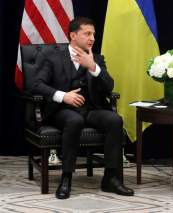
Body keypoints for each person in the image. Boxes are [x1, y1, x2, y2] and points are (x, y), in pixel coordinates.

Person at [32, 17, 134, 199]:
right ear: (73, 35)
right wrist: (64, 96)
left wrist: (93, 67)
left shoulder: (96, 59)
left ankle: (111, 178)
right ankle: (66, 177)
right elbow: (37, 85)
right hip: (62, 110)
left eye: (93, 34)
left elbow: (109, 86)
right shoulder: (52, 57)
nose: (92, 38)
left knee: (114, 120)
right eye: (87, 33)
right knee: (74, 120)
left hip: (91, 109)